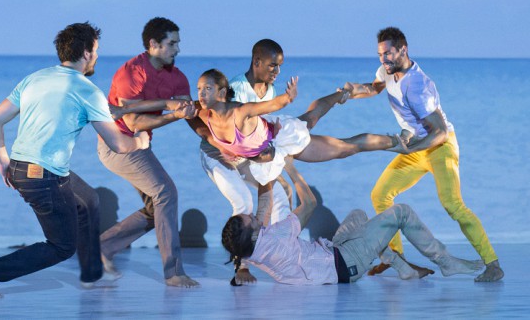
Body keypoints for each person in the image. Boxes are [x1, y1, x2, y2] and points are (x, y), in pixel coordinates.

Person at [0, 22, 150, 299]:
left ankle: (92, 274)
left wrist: (3, 161)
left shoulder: (35, 79)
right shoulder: (88, 90)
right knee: (61, 246)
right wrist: (140, 141)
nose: (98, 56)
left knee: (89, 199)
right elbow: (117, 144)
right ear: (87, 53)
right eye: (97, 50)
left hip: (23, 167)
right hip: (43, 177)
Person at [341, 26, 503, 282]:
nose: (383, 59)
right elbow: (375, 87)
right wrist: (353, 92)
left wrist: (412, 147)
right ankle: (396, 257)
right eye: (380, 54)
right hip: (416, 146)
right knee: (380, 195)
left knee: (453, 205)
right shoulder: (387, 70)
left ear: (403, 50)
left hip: (440, 147)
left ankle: (492, 263)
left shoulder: (419, 86)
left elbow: (439, 131)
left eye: (388, 53)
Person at [221, 157, 485, 285]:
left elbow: (250, 233)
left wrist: (240, 272)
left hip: (333, 253)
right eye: (250, 220)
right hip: (348, 264)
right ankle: (445, 262)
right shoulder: (275, 236)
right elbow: (310, 203)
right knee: (401, 212)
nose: (254, 216)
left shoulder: (252, 254)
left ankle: (401, 267)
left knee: (358, 214)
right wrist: (290, 167)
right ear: (254, 234)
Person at [97, 17, 199, 288]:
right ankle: (173, 272)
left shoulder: (177, 78)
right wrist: (172, 112)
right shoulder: (130, 72)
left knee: (159, 206)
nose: (177, 49)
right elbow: (133, 123)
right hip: (117, 143)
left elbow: (189, 113)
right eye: (171, 43)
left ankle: (101, 248)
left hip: (141, 144)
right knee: (166, 192)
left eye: (178, 43)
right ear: (153, 44)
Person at [195, 68, 403, 186]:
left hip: (282, 137)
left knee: (343, 148)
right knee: (310, 119)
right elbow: (180, 109)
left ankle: (396, 141)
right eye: (199, 89)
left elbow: (270, 105)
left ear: (222, 93)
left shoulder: (239, 112)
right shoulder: (204, 114)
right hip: (269, 151)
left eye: (208, 88)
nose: (201, 94)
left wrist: (287, 97)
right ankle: (344, 93)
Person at [197, 40, 293, 284]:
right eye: (272, 66)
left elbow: (259, 135)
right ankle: (241, 266)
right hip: (218, 155)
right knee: (243, 201)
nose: (277, 72)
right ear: (256, 62)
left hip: (245, 157)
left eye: (279, 67)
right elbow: (202, 118)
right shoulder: (236, 89)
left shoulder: (269, 90)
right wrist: (222, 147)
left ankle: (284, 253)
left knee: (280, 195)